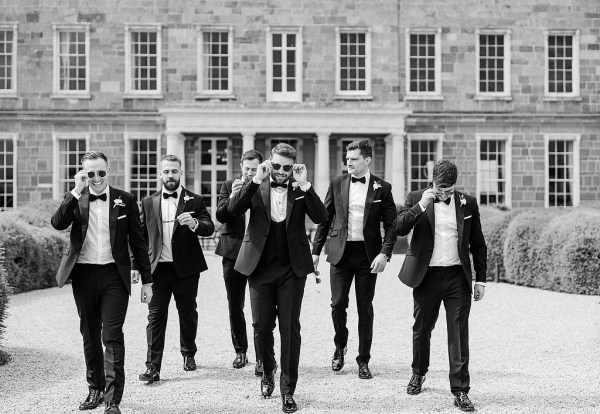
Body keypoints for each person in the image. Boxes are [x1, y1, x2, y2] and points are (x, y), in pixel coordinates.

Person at [227, 143, 327, 413]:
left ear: (293, 166)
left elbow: (322, 217)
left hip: (292, 270)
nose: (282, 172)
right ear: (270, 163)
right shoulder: (256, 184)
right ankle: (268, 372)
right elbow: (233, 211)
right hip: (259, 267)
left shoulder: (299, 189)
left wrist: (306, 185)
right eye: (277, 166)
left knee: (289, 329)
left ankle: (288, 389)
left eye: (287, 167)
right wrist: (256, 178)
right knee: (261, 326)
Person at [51, 151, 153, 414]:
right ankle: (94, 388)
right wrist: (75, 191)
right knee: (89, 333)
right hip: (83, 275)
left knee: (112, 335)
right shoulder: (76, 198)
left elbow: (138, 242)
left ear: (108, 171)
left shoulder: (125, 200)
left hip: (114, 276)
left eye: (101, 173)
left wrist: (147, 281)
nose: (96, 178)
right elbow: (57, 223)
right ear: (83, 174)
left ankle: (112, 399)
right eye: (90, 174)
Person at [395, 159, 487, 412]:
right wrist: (421, 205)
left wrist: (481, 280)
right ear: (432, 180)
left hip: (457, 277)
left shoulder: (468, 203)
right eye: (440, 188)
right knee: (422, 328)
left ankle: (460, 390)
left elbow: (478, 245)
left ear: (455, 185)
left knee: (459, 333)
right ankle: (418, 372)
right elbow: (399, 228)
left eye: (449, 189)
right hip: (427, 276)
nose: (444, 193)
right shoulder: (416, 197)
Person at [312, 139, 396, 379]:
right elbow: (324, 219)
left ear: (367, 160)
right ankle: (340, 346)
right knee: (338, 303)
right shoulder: (337, 183)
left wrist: (385, 253)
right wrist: (316, 251)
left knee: (364, 308)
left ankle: (363, 360)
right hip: (340, 252)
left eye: (353, 159)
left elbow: (391, 226)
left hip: (368, 256)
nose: (348, 162)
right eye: (347, 158)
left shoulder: (384, 188)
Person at [136, 154, 214, 383]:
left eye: (174, 171)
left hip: (187, 269)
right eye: (166, 171)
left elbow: (209, 227)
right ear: (160, 174)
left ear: (181, 173)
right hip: (157, 270)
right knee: (155, 316)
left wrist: (196, 224)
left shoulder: (195, 200)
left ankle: (188, 353)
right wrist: (136, 267)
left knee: (187, 313)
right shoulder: (148, 202)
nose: (170, 175)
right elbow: (140, 237)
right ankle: (152, 366)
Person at [215, 149, 264, 373]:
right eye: (247, 169)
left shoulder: (265, 187)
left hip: (258, 253)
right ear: (241, 168)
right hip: (232, 252)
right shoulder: (228, 185)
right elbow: (221, 216)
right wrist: (235, 196)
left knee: (259, 307)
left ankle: (262, 355)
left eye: (254, 169)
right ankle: (241, 351)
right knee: (235, 304)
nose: (250, 173)